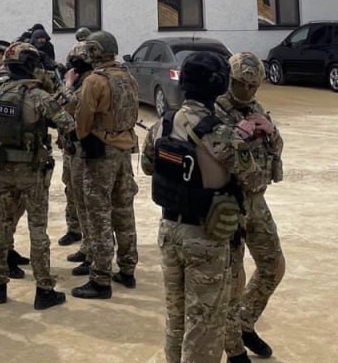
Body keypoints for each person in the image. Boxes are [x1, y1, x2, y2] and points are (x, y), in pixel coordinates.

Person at [141, 51, 263, 363]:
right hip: (206, 238)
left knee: (176, 319)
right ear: (219, 87)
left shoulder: (162, 125)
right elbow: (255, 181)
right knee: (205, 327)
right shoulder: (221, 134)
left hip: (169, 231)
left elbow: (147, 166)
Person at [0, 42, 78, 309]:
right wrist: (63, 89)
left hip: (3, 169)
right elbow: (68, 122)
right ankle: (43, 289)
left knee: (3, 225)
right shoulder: (37, 95)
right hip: (32, 172)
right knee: (37, 230)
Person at [217, 53, 285, 363]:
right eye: (243, 85)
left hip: (256, 200)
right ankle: (233, 348)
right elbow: (213, 156)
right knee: (233, 280)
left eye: (254, 86)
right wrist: (239, 135)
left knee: (273, 266)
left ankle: (245, 322)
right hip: (228, 203)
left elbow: (276, 147)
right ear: (230, 80)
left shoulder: (255, 107)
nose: (248, 91)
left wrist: (270, 131)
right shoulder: (215, 110)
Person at [71, 30, 140, 299]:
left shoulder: (95, 81)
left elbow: (83, 118)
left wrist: (83, 136)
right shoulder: (127, 76)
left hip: (101, 153)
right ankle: (127, 268)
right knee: (124, 210)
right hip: (124, 150)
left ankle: (100, 278)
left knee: (99, 214)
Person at [56, 42, 92, 250]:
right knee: (71, 189)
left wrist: (67, 84)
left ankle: (90, 241)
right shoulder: (80, 82)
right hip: (69, 145)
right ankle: (74, 229)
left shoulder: (89, 83)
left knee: (83, 193)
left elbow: (62, 105)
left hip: (82, 146)